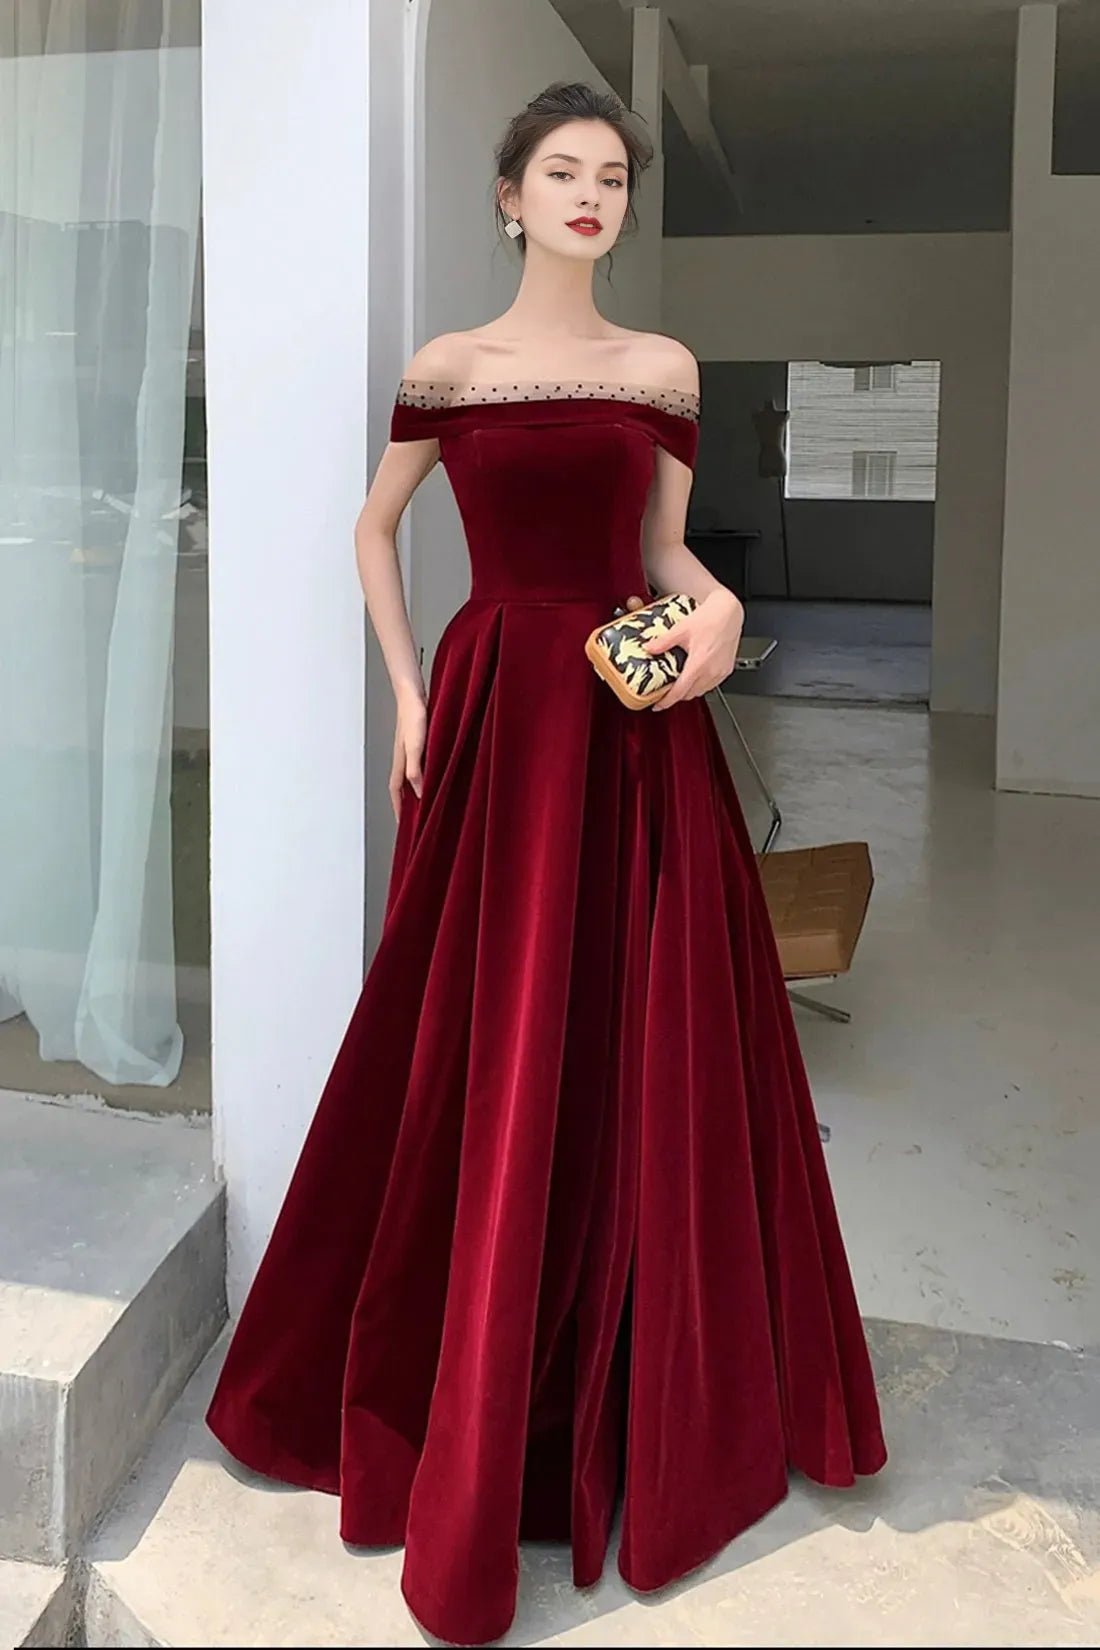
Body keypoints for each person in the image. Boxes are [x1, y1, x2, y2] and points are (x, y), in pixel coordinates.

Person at [205, 80, 886, 1648]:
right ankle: (464, 1373)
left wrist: (718, 613)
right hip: (498, 715)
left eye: (615, 176)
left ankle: (625, 1377)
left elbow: (663, 556)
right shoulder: (449, 367)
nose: (593, 193)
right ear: (509, 196)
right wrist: (408, 694)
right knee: (477, 1041)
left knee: (637, 1041)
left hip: (630, 733)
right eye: (564, 171)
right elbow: (376, 529)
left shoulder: (663, 369)